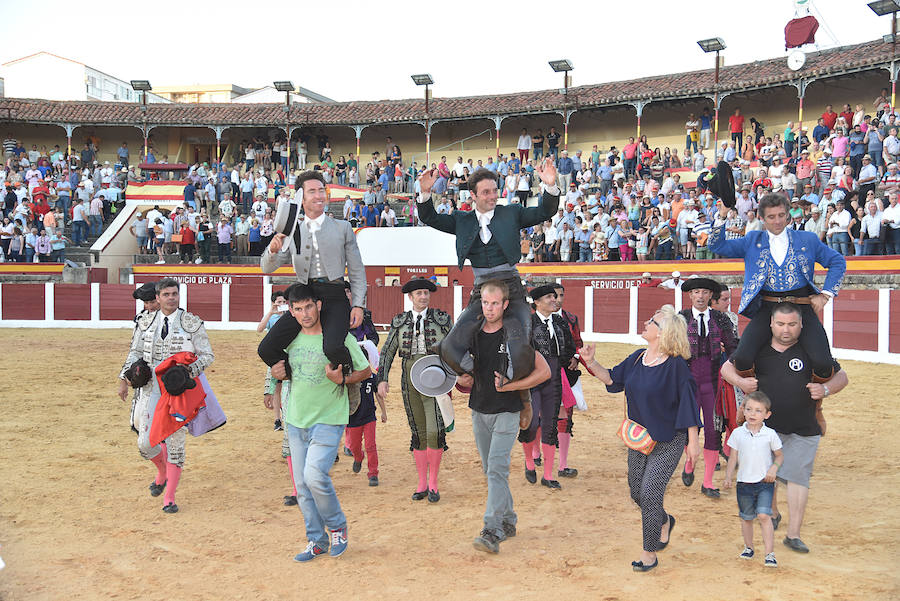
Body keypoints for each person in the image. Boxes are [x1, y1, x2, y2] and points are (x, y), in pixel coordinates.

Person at [415, 159, 559, 388]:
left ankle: (512, 388)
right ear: (472, 194)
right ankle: (482, 375)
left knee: (520, 348)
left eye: (494, 190)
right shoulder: (462, 219)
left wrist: (550, 187)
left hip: (511, 286)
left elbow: (544, 210)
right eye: (486, 192)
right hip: (481, 290)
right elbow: (429, 217)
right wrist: (424, 193)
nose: (493, 196)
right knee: (450, 348)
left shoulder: (511, 212)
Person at [580, 305, 701, 572]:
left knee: (649, 492)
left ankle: (649, 554)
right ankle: (664, 520)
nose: (646, 322)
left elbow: (689, 404)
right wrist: (591, 362)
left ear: (664, 333)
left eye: (653, 321)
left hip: (669, 439)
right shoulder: (637, 358)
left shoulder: (677, 366)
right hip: (640, 438)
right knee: (637, 492)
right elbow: (612, 378)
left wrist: (693, 441)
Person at [721, 302, 849, 554]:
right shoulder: (757, 350)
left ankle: (794, 534)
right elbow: (727, 367)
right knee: (767, 475)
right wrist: (741, 382)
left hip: (804, 426)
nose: (786, 330)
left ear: (802, 325)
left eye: (792, 324)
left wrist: (824, 389)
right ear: (771, 324)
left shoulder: (812, 351)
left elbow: (841, 376)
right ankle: (775, 511)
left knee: (799, 478)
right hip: (765, 429)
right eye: (780, 324)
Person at [270, 284, 371, 562]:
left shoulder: (337, 338)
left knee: (314, 476)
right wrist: (275, 373)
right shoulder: (289, 340)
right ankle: (316, 539)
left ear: (319, 305)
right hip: (296, 419)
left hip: (328, 418)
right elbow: (279, 369)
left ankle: (337, 526)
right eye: (298, 309)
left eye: (309, 307)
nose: (304, 314)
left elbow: (365, 370)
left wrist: (342, 379)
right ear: (290, 311)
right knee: (302, 485)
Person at [455, 280, 549, 554]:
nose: (490, 308)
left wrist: (512, 387)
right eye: (486, 303)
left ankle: (492, 529)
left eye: (495, 303)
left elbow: (543, 372)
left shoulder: (515, 334)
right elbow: (467, 373)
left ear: (505, 304)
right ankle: (508, 519)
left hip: (507, 411)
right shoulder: (472, 332)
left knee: (496, 469)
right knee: (491, 470)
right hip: (479, 409)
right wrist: (464, 377)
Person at [710, 193, 845, 383]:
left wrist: (826, 294)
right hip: (767, 306)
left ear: (788, 215)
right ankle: (755, 396)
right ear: (762, 218)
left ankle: (814, 404)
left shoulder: (807, 239)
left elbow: (837, 261)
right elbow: (717, 246)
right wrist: (722, 216)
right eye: (771, 217)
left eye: (781, 215)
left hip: (802, 306)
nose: (777, 221)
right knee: (742, 359)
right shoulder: (752, 240)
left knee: (823, 363)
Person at [117, 278, 215, 513]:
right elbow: (135, 352)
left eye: (175, 294)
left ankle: (169, 497)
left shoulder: (192, 322)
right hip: (150, 388)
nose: (172, 298)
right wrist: (123, 378)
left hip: (178, 392)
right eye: (167, 294)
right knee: (144, 443)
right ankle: (161, 471)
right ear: (158, 298)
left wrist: (186, 372)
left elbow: (207, 355)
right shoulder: (145, 322)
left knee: (176, 444)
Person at [259, 170, 366, 382]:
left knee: (333, 347)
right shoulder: (292, 231)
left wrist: (358, 305)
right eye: (312, 192)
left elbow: (356, 271)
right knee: (267, 348)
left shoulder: (343, 228)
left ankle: (349, 382)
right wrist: (271, 250)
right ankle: (300, 379)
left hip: (335, 295)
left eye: (321, 190)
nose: (319, 196)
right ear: (302, 197)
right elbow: (267, 268)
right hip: (304, 298)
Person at [376, 278, 453, 502]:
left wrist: (460, 374)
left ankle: (434, 483)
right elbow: (388, 351)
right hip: (409, 378)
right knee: (418, 432)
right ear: (410, 297)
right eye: (419, 293)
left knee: (434, 430)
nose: (423, 297)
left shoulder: (442, 319)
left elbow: (455, 346)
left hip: (436, 376)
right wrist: (382, 378)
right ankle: (421, 483)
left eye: (426, 293)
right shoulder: (400, 321)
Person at [678, 277, 738, 498]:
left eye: (704, 292)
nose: (701, 296)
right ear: (690, 295)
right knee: (688, 427)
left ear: (710, 296)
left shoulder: (721, 319)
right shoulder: (681, 318)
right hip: (687, 382)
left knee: (714, 429)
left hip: (713, 382)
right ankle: (690, 461)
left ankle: (708, 481)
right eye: (696, 292)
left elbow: (733, 349)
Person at [519, 285, 575, 490]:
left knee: (551, 423)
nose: (554, 300)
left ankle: (549, 475)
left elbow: (569, 348)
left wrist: (574, 358)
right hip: (533, 378)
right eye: (549, 297)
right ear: (537, 302)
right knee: (531, 423)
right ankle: (529, 462)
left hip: (554, 379)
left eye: (555, 296)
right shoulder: (528, 323)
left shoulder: (559, 323)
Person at [722, 391, 784, 568]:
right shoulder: (737, 433)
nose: (752, 414)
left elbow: (779, 456)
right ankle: (749, 547)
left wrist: (774, 468)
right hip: (743, 483)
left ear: (767, 415)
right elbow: (733, 457)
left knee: (764, 515)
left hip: (765, 482)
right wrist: (728, 477)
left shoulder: (770, 434)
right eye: (748, 409)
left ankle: (769, 553)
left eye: (758, 411)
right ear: (743, 411)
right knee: (747, 517)